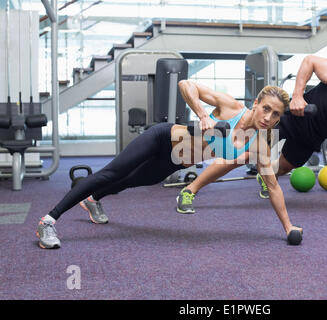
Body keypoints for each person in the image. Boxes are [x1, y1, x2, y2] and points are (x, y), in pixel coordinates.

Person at [36, 81, 302, 249]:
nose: (268, 117)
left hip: (174, 161)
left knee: (132, 180)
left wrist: (288, 227)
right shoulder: (230, 107)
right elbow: (187, 85)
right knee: (112, 173)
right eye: (266, 108)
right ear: (256, 104)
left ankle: (92, 199)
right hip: (162, 138)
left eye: (276, 114)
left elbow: (274, 187)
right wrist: (202, 115)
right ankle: (48, 221)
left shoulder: (259, 145)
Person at [177, 55, 327, 215]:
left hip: (309, 141)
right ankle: (190, 191)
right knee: (245, 155)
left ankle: (263, 176)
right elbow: (310, 61)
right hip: (289, 120)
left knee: (280, 168)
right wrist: (297, 95)